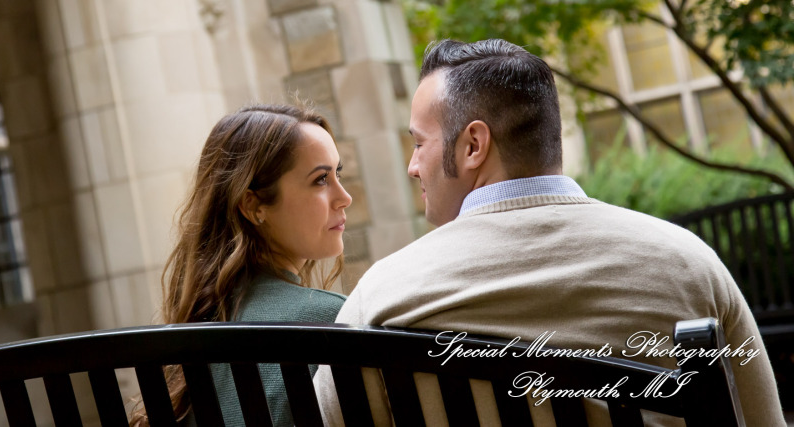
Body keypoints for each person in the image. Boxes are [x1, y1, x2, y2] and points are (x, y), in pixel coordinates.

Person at [314, 38, 784, 426]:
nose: (413, 166)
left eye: (419, 143)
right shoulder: (690, 266)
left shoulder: (382, 295)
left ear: (473, 145)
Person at [130, 103, 352, 426]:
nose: (344, 196)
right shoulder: (329, 321)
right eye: (320, 180)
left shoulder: (190, 341)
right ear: (253, 205)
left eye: (338, 174)